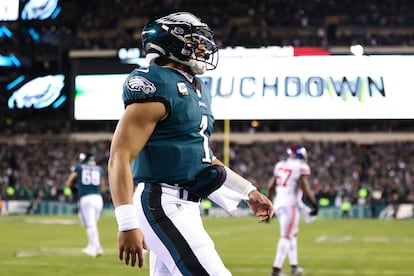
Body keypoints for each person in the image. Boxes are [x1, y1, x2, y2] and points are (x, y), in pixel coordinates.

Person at [107, 11, 274, 275]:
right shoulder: (156, 83)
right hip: (161, 202)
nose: (203, 47)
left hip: (187, 205)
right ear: (170, 43)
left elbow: (203, 157)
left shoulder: (198, 88)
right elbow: (119, 156)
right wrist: (126, 222)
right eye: (195, 41)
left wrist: (248, 191)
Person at [266, 145, 319, 276]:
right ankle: (276, 270)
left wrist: (267, 205)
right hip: (290, 205)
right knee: (286, 236)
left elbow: (271, 186)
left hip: (278, 204)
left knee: (291, 235)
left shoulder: (280, 165)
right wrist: (314, 205)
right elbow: (305, 187)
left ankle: (294, 266)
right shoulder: (301, 167)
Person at [66, 152, 106, 257]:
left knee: (89, 224)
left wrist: (74, 189)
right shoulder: (99, 169)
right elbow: (103, 186)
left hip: (86, 198)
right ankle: (94, 246)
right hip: (98, 198)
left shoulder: (79, 167)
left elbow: (70, 181)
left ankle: (94, 248)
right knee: (92, 224)